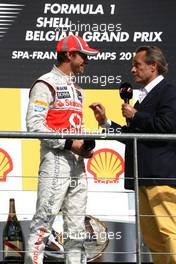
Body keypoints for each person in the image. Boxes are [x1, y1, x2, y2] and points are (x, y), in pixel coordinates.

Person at [90, 46, 176, 264]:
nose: (132, 70)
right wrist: (106, 123)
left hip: (162, 176)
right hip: (142, 177)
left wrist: (136, 115)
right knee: (153, 238)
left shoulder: (168, 91)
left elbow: (168, 126)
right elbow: (133, 136)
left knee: (169, 232)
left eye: (137, 65)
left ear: (153, 66)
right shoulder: (143, 97)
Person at [25, 34, 98, 264]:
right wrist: (70, 144)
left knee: (77, 226)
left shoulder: (78, 89)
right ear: (69, 54)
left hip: (77, 165)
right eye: (83, 56)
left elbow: (74, 129)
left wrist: (83, 147)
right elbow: (34, 125)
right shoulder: (45, 82)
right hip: (55, 161)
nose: (87, 60)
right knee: (43, 221)